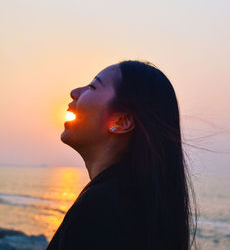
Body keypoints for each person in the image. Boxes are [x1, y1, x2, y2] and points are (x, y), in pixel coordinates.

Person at [46, 60, 197, 250]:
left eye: (93, 86)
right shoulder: (141, 206)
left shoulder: (99, 211)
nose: (75, 92)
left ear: (120, 121)